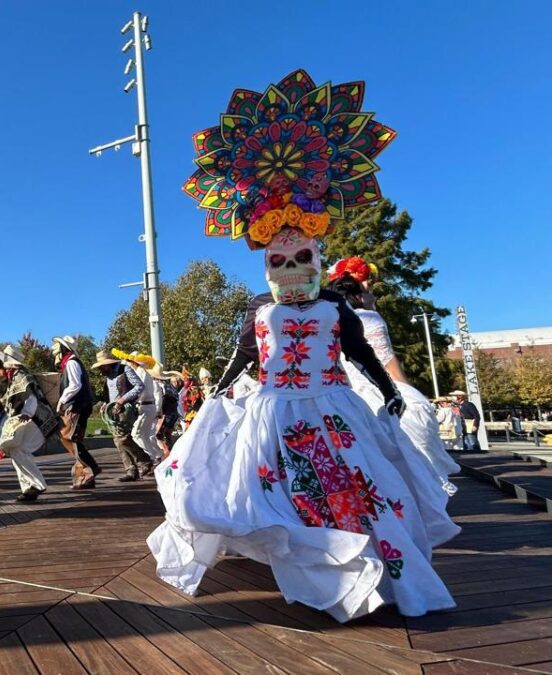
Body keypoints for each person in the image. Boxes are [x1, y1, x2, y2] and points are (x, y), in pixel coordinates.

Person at [151, 71, 456, 622]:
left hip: (335, 411)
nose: (290, 269)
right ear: (266, 265)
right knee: (277, 492)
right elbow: (244, 356)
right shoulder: (259, 311)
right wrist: (216, 395)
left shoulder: (335, 308)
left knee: (355, 492)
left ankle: (365, 574)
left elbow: (360, 354)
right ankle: (315, 568)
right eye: (278, 261)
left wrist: (388, 391)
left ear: (317, 259)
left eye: (301, 260)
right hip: (271, 415)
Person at [326, 258, 459, 494]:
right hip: (378, 391)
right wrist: (404, 391)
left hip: (347, 398)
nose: (374, 296)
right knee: (413, 453)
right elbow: (388, 363)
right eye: (369, 290)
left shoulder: (330, 321)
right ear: (358, 294)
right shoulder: (370, 319)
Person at [0, 345, 49, 501]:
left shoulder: (21, 376)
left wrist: (26, 413)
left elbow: (31, 397)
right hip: (29, 421)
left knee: (20, 450)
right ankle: (29, 488)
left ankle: (35, 485)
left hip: (33, 421)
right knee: (18, 451)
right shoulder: (16, 377)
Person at [92, 350, 153, 482]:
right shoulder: (108, 376)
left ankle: (145, 461)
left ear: (109, 364)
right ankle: (131, 470)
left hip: (126, 409)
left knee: (122, 439)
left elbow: (139, 386)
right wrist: (105, 404)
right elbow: (111, 393)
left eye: (103, 366)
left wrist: (122, 400)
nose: (101, 369)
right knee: (118, 440)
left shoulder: (125, 370)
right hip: (114, 411)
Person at [52, 335, 100, 489]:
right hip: (80, 405)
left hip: (76, 406)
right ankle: (86, 477)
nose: (54, 350)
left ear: (63, 348)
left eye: (57, 346)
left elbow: (74, 385)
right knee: (74, 438)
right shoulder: (71, 362)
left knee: (69, 438)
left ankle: (91, 467)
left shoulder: (71, 362)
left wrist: (62, 401)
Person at [113, 349, 164, 464]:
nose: (129, 363)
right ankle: (156, 456)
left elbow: (140, 390)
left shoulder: (141, 372)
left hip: (145, 406)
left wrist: (126, 399)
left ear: (134, 362)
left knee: (137, 434)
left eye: (130, 361)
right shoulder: (142, 372)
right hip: (146, 406)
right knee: (145, 436)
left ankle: (153, 457)